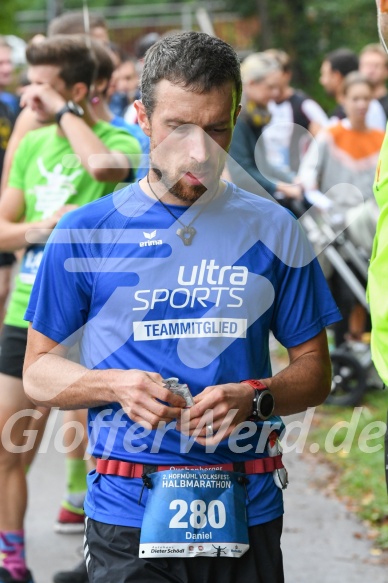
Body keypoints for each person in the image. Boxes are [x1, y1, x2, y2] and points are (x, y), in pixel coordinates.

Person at [23, 31, 340, 583]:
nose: (200, 151)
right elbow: (38, 373)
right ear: (142, 117)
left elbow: (316, 373)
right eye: (179, 128)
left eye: (218, 128)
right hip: (126, 508)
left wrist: (255, 397)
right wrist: (115, 385)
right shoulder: (86, 231)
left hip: (248, 499)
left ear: (237, 116)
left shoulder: (272, 227)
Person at [0, 34, 140, 583]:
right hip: (27, 316)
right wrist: (38, 230)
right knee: (11, 447)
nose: (29, 95)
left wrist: (64, 114)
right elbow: (3, 228)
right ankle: (11, 560)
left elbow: (105, 168)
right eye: (28, 82)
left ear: (77, 91)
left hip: (100, 319)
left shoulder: (122, 138)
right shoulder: (30, 146)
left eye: (42, 85)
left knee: (106, 453)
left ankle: (97, 557)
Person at [299, 72, 384, 346]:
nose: (361, 104)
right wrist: (329, 206)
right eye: (355, 98)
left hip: (371, 219)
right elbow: (308, 183)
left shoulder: (380, 137)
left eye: (366, 99)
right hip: (337, 222)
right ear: (343, 99)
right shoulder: (329, 136)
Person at [228, 52, 303, 204]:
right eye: (270, 87)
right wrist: (280, 187)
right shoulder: (237, 117)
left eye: (278, 87)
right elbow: (240, 172)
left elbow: (262, 164)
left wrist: (291, 179)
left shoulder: (255, 114)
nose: (275, 93)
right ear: (251, 84)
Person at [262, 49, 328, 174]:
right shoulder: (261, 105)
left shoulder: (304, 105)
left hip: (295, 179)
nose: (267, 77)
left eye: (272, 70)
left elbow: (327, 137)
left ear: (286, 74)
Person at [320, 47, 386, 130]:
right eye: (366, 65)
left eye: (376, 66)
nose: (361, 105)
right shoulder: (337, 118)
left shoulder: (373, 108)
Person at [359, 43, 388, 117]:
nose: (371, 70)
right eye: (367, 65)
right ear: (359, 68)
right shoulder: (349, 107)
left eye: (376, 66)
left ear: (386, 70)